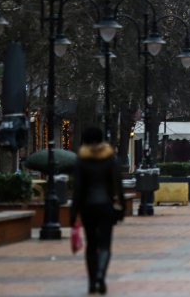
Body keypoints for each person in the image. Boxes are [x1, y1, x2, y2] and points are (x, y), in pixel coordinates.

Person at [70, 126, 125, 295]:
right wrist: (122, 206)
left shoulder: (81, 159)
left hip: (87, 208)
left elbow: (77, 189)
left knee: (91, 244)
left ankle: (92, 282)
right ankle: (101, 274)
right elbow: (118, 184)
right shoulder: (110, 158)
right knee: (105, 244)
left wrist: (73, 212)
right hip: (106, 207)